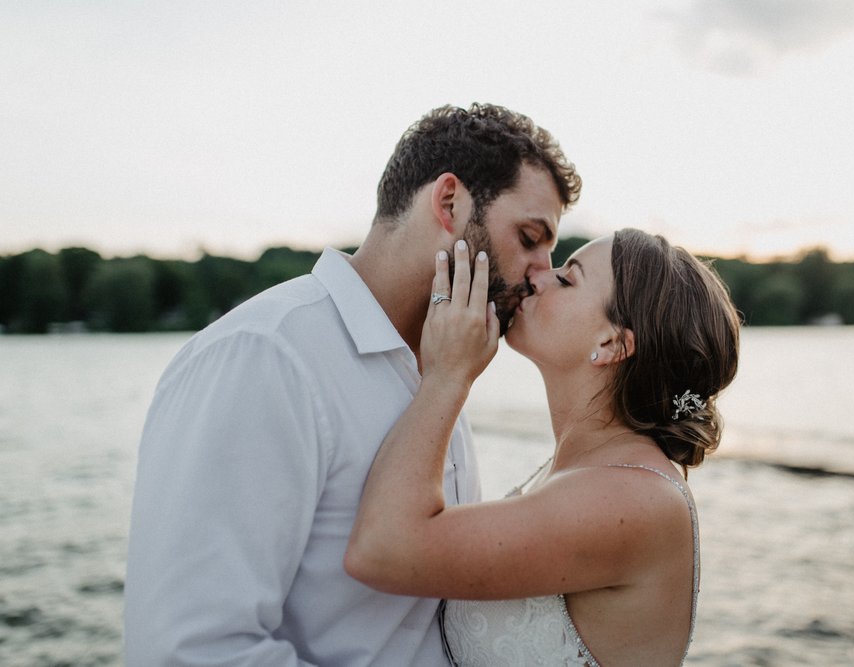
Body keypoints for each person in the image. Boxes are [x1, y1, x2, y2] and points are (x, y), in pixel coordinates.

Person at [124, 103, 582, 666]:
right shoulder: (264, 355)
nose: (543, 271)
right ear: (448, 203)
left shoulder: (441, 367)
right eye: (531, 237)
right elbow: (189, 651)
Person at [345, 228, 740, 666]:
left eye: (567, 278)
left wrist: (447, 376)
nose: (538, 276)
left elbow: (383, 549)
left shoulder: (632, 499)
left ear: (611, 343)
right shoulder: (581, 471)